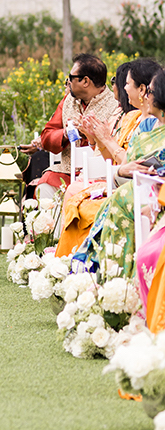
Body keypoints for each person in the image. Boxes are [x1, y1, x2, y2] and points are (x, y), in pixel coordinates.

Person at [72, 65, 165, 279]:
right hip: (131, 185)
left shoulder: (141, 120)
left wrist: (106, 141)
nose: (121, 88)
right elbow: (126, 163)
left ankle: (116, 276)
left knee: (119, 199)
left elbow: (130, 162)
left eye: (151, 91)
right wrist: (99, 140)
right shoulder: (145, 124)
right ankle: (106, 273)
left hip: (152, 193)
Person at [37, 54, 119, 195]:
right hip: (67, 173)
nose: (68, 82)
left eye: (71, 77)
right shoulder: (68, 101)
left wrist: (91, 133)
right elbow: (46, 137)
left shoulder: (115, 105)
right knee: (45, 185)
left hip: (101, 176)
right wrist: (66, 133)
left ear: (85, 81)